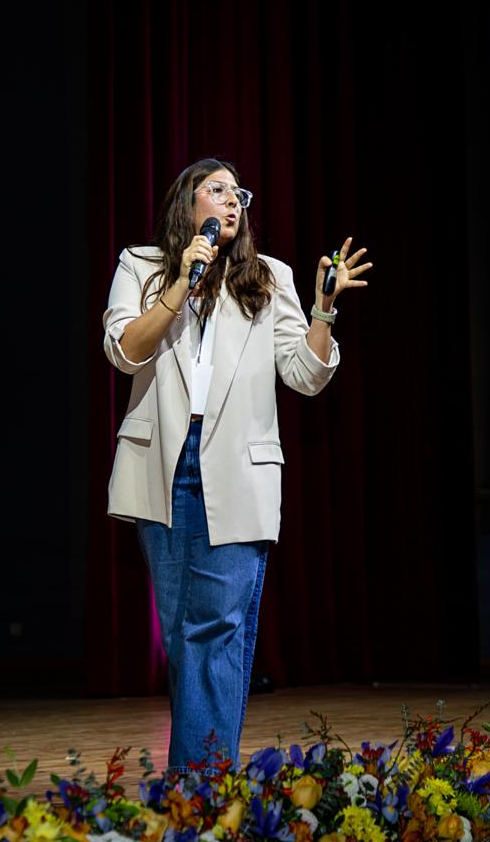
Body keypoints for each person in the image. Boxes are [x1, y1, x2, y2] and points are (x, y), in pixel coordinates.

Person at [101, 158, 371, 772]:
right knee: (183, 637)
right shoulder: (140, 265)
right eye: (217, 189)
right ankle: (207, 785)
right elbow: (125, 351)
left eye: (238, 194)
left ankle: (198, 787)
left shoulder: (268, 278)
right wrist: (181, 282)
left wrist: (323, 310)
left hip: (239, 471)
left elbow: (304, 375)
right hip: (163, 466)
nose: (232, 201)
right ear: (187, 203)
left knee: (215, 630)